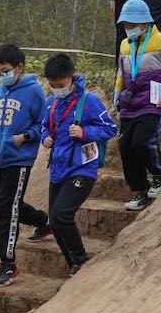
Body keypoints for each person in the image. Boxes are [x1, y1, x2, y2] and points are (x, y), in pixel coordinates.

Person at [0, 44, 49, 287]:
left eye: (5, 70)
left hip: (20, 159)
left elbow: (44, 124)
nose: (2, 75)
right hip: (0, 159)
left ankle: (8, 264)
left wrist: (26, 137)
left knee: (7, 210)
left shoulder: (34, 92)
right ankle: (44, 222)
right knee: (11, 203)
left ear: (19, 68)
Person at [41, 54, 117, 277]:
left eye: (61, 85)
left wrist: (85, 132)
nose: (57, 89)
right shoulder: (51, 103)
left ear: (72, 78)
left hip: (83, 168)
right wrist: (44, 137)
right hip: (58, 168)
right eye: (53, 85)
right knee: (54, 221)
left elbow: (111, 128)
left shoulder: (89, 101)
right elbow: (44, 126)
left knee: (62, 214)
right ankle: (72, 264)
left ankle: (81, 260)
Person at [114, 0, 161, 211]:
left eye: (132, 25)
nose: (128, 29)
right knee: (125, 147)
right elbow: (121, 74)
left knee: (142, 142)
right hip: (129, 104)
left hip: (155, 103)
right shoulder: (125, 45)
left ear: (145, 24)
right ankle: (139, 190)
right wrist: (117, 101)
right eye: (125, 25)